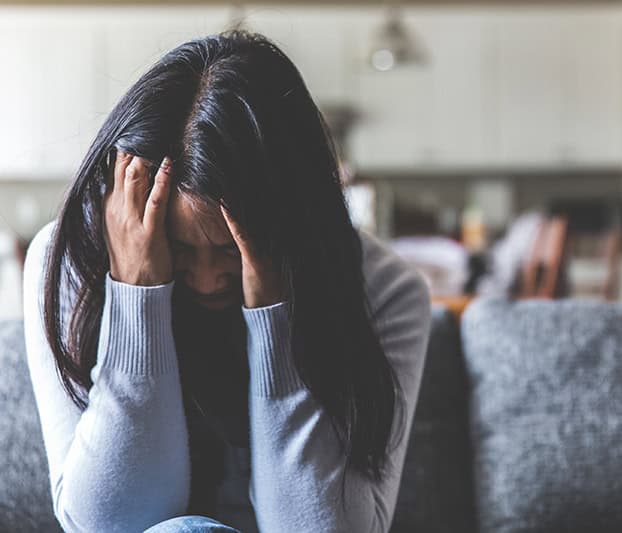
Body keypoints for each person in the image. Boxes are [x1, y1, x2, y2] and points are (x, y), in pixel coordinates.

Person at [22, 30, 431, 533]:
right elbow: (105, 523)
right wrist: (136, 293)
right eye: (178, 247)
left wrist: (275, 317)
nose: (208, 278)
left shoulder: (388, 291)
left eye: (231, 251)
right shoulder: (68, 262)